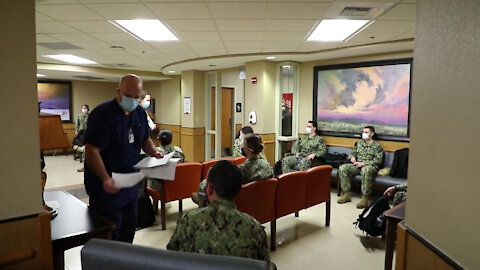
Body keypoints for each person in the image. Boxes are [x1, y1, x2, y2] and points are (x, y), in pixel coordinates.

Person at [84, 74, 163, 242]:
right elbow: (91, 151)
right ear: (118, 92)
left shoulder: (140, 113)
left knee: (128, 228)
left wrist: (154, 152)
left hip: (129, 183)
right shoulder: (103, 114)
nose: (132, 101)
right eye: (128, 96)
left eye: (136, 97)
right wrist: (105, 178)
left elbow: (144, 139)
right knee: (110, 232)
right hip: (106, 186)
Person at [167, 160, 272, 266]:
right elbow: (265, 266)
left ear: (209, 190)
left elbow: (170, 258)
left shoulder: (188, 221)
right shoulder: (254, 228)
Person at [337, 126, 384, 209]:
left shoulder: (377, 146)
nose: (364, 134)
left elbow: (378, 161)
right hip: (357, 165)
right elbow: (353, 153)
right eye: (363, 132)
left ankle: (365, 198)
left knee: (366, 170)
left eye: (366, 132)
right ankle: (346, 194)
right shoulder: (358, 143)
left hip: (369, 167)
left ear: (372, 134)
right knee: (343, 168)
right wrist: (352, 157)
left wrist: (364, 163)